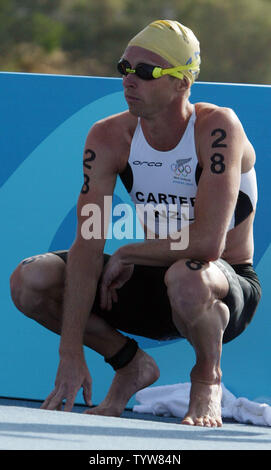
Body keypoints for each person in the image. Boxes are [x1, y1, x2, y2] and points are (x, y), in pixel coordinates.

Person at [10, 19, 261, 427]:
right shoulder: (108, 138)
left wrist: (128, 251)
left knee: (188, 276)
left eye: (145, 72)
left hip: (221, 285)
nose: (129, 80)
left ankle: (206, 379)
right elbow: (88, 243)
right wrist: (70, 351)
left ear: (182, 82)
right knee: (30, 280)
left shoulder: (216, 128)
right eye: (123, 67)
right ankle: (129, 364)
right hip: (150, 279)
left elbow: (208, 244)